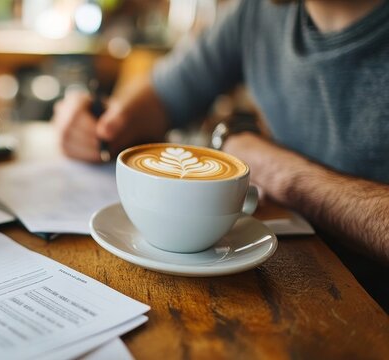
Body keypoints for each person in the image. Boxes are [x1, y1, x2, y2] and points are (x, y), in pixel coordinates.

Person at [53, 0, 388, 306]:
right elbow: (158, 97)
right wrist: (100, 121)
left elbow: (282, 175)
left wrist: (286, 176)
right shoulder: (259, 12)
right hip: (280, 283)